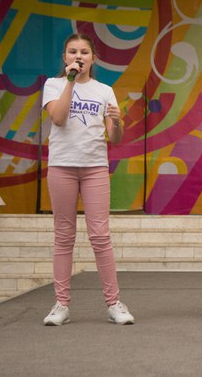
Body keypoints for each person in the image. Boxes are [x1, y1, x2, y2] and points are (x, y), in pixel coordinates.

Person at [41, 33, 134, 325]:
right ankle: (61, 304)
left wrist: (117, 120)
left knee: (100, 236)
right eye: (72, 51)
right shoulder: (54, 84)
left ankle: (114, 303)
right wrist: (70, 81)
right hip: (62, 166)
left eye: (84, 52)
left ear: (93, 58)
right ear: (65, 58)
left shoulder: (104, 90)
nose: (78, 56)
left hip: (94, 167)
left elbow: (114, 138)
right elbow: (58, 118)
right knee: (63, 235)